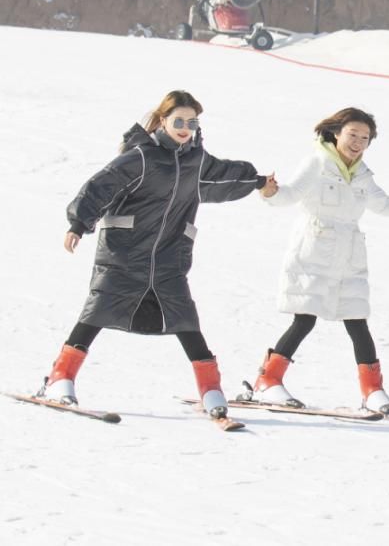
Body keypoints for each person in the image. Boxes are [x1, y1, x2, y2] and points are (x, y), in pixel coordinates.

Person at [39, 90, 272, 419]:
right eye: (179, 120)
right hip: (125, 255)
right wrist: (79, 223)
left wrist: (257, 180)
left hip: (168, 258)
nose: (185, 128)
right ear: (162, 120)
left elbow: (222, 177)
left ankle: (211, 390)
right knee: (96, 313)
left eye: (192, 122)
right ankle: (60, 379)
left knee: (186, 320)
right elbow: (102, 185)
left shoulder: (196, 160)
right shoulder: (142, 156)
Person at [244, 108, 389, 415]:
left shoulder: (363, 174)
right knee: (305, 319)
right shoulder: (317, 163)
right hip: (314, 252)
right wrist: (269, 191)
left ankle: (372, 390)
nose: (358, 142)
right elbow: (289, 195)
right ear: (336, 133)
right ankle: (267, 381)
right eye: (353, 135)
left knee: (357, 320)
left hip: (349, 257)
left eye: (365, 137)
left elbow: (387, 206)